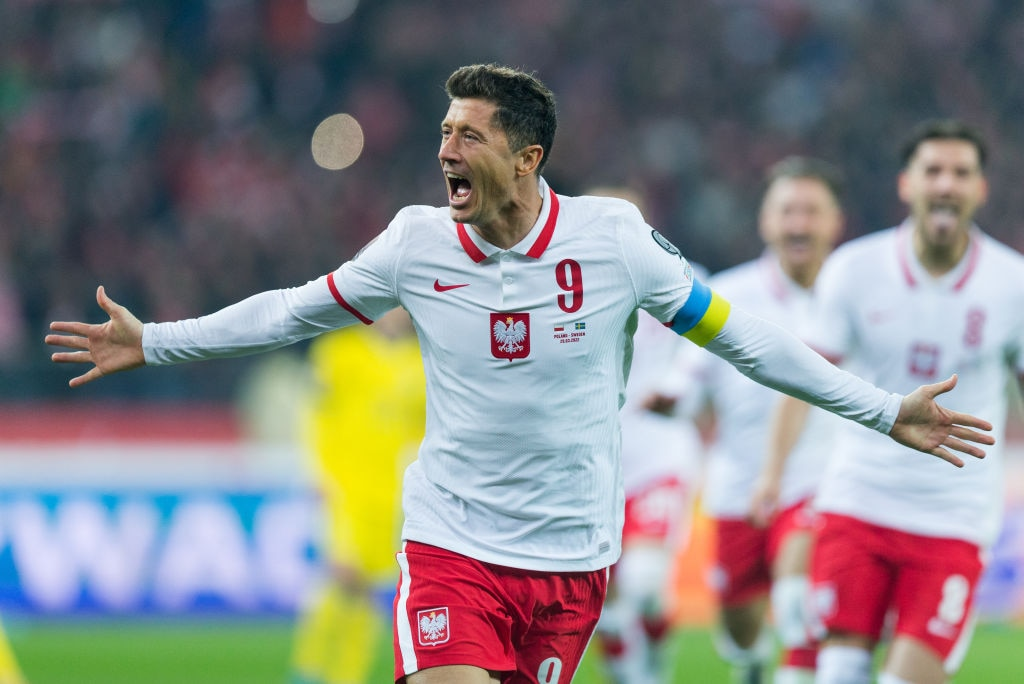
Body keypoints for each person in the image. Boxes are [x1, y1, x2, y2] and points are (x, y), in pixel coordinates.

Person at [45, 65, 993, 684]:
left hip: (571, 561)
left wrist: (882, 410)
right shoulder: (416, 243)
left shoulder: (613, 242)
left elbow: (744, 339)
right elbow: (292, 310)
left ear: (528, 158)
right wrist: (157, 340)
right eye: (444, 132)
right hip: (452, 544)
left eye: (470, 136)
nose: (445, 151)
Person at [756, 119, 1024, 684]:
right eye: (933, 171)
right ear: (907, 184)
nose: (946, 184)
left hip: (955, 518)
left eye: (961, 173)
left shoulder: (1012, 283)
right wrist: (774, 474)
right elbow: (806, 381)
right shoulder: (854, 270)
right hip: (859, 503)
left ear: (981, 189)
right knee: (838, 673)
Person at [666, 157, 845, 684]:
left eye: (812, 211)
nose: (799, 224)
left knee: (797, 604)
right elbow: (688, 375)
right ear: (766, 221)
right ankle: (749, 663)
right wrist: (672, 397)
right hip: (737, 486)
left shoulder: (851, 291)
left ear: (835, 222)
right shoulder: (728, 293)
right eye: (788, 210)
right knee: (740, 629)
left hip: (821, 478)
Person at [585, 187, 706, 684]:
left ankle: (653, 659)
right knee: (600, 595)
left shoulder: (680, 275)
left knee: (646, 581)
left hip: (659, 455)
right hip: (592, 464)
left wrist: (678, 387)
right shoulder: (565, 287)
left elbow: (706, 346)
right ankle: (628, 676)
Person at [290, 306, 426, 684]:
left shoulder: (421, 362)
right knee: (342, 577)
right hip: (342, 488)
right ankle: (308, 670)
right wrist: (315, 472)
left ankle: (348, 675)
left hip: (390, 494)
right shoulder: (338, 351)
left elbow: (426, 429)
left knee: (367, 590)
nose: (395, 314)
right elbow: (315, 416)